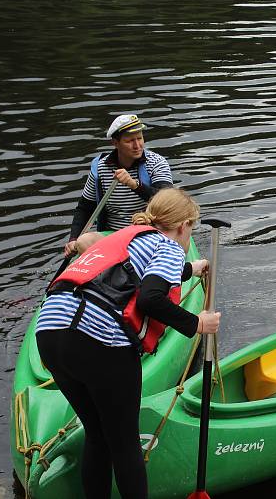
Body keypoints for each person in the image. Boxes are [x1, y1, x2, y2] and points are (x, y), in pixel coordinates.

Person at [36, 188, 221, 499]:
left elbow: (129, 276)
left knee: (97, 436)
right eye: (192, 228)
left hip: (51, 331)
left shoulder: (128, 236)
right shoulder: (170, 246)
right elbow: (150, 297)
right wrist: (197, 323)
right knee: (124, 443)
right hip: (96, 339)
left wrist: (194, 268)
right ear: (182, 226)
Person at [64, 114, 173, 257]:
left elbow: (169, 202)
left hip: (150, 234)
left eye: (139, 138)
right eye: (130, 141)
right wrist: (73, 239)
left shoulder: (157, 163)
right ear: (115, 143)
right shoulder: (100, 168)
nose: (137, 145)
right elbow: (85, 208)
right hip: (114, 237)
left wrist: (134, 185)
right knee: (83, 241)